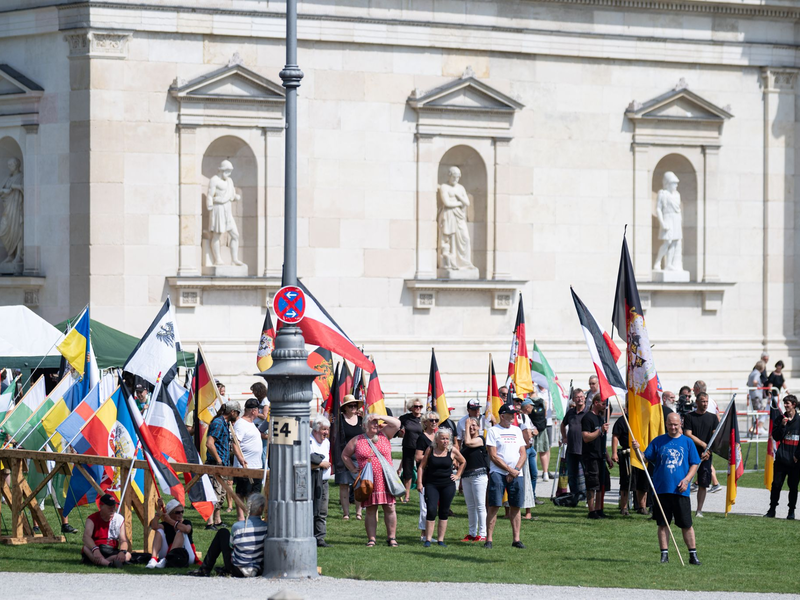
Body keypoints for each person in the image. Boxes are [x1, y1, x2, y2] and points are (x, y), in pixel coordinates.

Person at [634, 413, 701, 565]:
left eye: (676, 425)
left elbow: (694, 463)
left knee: (686, 524)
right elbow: (645, 459)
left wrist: (687, 479)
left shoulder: (687, 442)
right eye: (670, 424)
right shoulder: (658, 441)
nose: (673, 427)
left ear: (680, 424)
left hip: (680, 490)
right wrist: (637, 450)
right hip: (661, 490)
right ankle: (664, 555)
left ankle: (693, 555)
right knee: (662, 524)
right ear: (666, 424)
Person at [341, 413, 402, 547]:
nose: (375, 424)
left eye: (376, 422)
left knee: (390, 507)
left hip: (386, 479)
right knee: (370, 509)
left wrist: (380, 416)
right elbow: (345, 455)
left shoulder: (384, 434)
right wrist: (352, 468)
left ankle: (391, 538)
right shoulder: (358, 440)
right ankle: (372, 539)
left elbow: (397, 424)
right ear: (364, 425)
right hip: (368, 481)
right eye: (372, 422)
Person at [188, 493, 268, 577]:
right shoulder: (266, 527)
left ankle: (205, 568)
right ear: (261, 508)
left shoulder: (238, 526)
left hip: (236, 569)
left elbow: (231, 545)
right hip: (258, 569)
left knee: (223, 532)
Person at [485, 404, 527, 549]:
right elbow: (493, 455)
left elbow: (523, 453)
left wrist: (515, 470)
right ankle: (489, 539)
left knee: (516, 506)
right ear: (502, 416)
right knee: (494, 505)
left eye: (513, 414)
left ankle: (516, 539)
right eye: (510, 414)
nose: (513, 417)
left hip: (516, 473)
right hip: (498, 473)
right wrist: (509, 470)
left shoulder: (517, 430)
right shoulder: (493, 431)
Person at [417, 428, 465, 546]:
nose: (445, 441)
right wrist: (419, 482)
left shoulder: (452, 451)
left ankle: (440, 540)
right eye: (442, 438)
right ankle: (428, 539)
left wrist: (458, 475)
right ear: (437, 439)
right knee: (432, 510)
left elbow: (463, 461)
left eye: (447, 439)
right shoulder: (430, 449)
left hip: (447, 485)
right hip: (431, 484)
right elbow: (421, 467)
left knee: (444, 511)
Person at [205, 402, 246, 529]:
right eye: (237, 413)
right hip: (216, 464)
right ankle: (210, 522)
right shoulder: (218, 423)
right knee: (215, 493)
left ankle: (217, 520)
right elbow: (209, 443)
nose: (238, 416)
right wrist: (218, 460)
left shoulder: (225, 423)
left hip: (224, 464)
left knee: (222, 494)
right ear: (232, 412)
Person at [684, 392, 720, 517]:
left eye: (706, 401)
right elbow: (688, 434)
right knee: (686, 480)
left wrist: (709, 450)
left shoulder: (713, 417)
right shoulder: (689, 417)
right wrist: (703, 444)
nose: (705, 404)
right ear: (697, 402)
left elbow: (715, 436)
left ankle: (699, 510)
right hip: (691, 453)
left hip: (706, 455)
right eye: (703, 401)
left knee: (703, 483)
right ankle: (684, 508)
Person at [765, 395, 800, 519]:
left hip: (795, 462)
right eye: (784, 403)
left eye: (788, 403)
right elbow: (776, 436)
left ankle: (791, 511)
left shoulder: (799, 420)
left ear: (794, 405)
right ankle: (772, 509)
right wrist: (783, 426)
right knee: (776, 485)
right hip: (781, 460)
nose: (785, 405)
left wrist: (797, 455)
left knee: (793, 487)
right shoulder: (780, 419)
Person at [581, 395, 613, 519]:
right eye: (603, 403)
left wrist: (608, 457)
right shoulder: (587, 418)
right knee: (592, 484)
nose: (605, 406)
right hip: (591, 456)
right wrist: (600, 430)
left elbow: (603, 441)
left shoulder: (600, 418)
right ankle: (591, 510)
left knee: (602, 483)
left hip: (601, 456)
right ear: (596, 403)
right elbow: (586, 437)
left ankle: (600, 509)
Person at [81, 494, 131, 567]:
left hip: (111, 550)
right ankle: (110, 563)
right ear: (101, 506)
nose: (112, 510)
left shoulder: (119, 519)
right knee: (86, 548)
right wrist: (95, 550)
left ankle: (105, 562)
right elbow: (86, 537)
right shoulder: (92, 519)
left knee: (128, 555)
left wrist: (122, 552)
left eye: (113, 507)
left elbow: (123, 540)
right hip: (97, 548)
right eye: (109, 507)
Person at [460, 417, 490, 542]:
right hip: (466, 476)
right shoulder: (465, 442)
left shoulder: (480, 439)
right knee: (470, 506)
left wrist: (466, 426)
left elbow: (468, 442)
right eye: (469, 425)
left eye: (474, 425)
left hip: (479, 476)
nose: (471, 427)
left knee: (480, 505)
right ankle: (472, 533)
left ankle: (483, 534)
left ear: (478, 427)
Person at [334, 395, 363, 520]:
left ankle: (359, 512)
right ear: (344, 408)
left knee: (359, 485)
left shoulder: (361, 420)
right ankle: (346, 513)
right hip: (343, 456)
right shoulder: (339, 420)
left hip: (359, 456)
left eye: (355, 405)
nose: (353, 408)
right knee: (344, 485)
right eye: (350, 406)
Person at [233, 398, 262, 520]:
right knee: (242, 492)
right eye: (257, 410)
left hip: (256, 465)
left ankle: (252, 516)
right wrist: (240, 458)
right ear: (254, 411)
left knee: (254, 493)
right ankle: (241, 516)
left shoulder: (251, 424)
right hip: (245, 465)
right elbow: (235, 443)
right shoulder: (241, 424)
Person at [147, 499, 195, 569]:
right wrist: (158, 510)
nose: (181, 514)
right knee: (159, 530)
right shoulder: (166, 524)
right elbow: (154, 526)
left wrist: (170, 521)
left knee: (180, 531)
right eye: (177, 512)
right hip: (168, 551)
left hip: (186, 555)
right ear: (170, 514)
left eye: (182, 512)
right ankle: (154, 559)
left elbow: (187, 529)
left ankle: (168, 558)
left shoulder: (186, 522)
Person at [560, 388, 589, 499]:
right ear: (573, 399)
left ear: (585, 398)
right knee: (572, 474)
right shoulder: (570, 413)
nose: (580, 399)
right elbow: (563, 425)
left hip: (584, 448)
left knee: (586, 473)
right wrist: (564, 437)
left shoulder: (588, 412)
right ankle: (574, 495)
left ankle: (587, 495)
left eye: (581, 396)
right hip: (571, 448)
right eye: (577, 397)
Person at [415, 410, 439, 540]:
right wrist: (433, 456)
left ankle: (429, 534)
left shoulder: (438, 436)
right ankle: (424, 534)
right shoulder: (422, 437)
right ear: (425, 422)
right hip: (425, 475)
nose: (434, 422)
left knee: (433, 506)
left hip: (438, 474)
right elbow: (418, 457)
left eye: (436, 420)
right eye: (431, 420)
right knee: (425, 506)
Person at [310, 415, 332, 546]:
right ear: (316, 429)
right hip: (311, 480)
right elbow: (304, 462)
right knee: (311, 510)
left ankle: (320, 538)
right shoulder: (308, 441)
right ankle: (309, 536)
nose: (326, 432)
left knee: (322, 511)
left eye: (327, 429)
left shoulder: (327, 442)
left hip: (323, 482)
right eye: (324, 429)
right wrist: (320, 465)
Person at [398, 398, 424, 503]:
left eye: (420, 406)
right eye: (416, 406)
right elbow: (397, 429)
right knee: (407, 472)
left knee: (422, 470)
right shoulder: (405, 418)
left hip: (421, 448)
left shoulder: (425, 419)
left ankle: (423, 494)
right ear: (411, 408)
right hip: (408, 446)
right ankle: (407, 495)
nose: (418, 408)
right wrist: (400, 432)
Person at [612, 410, 632, 516]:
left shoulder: (640, 418)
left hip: (640, 453)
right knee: (625, 481)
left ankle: (642, 506)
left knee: (642, 481)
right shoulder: (622, 420)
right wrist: (614, 453)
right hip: (626, 453)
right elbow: (615, 436)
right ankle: (624, 507)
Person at [250, 381, 270, 465]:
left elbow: (265, 416)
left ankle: (265, 470)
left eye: (254, 390)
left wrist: (255, 413)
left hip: (263, 428)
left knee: (263, 451)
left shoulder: (265, 401)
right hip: (258, 427)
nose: (253, 392)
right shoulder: (261, 400)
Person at [748, 362, 767, 436]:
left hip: (752, 395)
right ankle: (757, 428)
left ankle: (754, 428)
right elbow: (755, 381)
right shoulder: (757, 373)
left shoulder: (752, 373)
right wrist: (755, 387)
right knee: (759, 411)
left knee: (755, 412)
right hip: (756, 395)